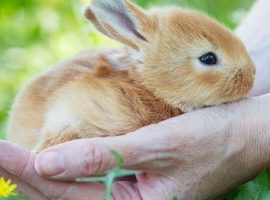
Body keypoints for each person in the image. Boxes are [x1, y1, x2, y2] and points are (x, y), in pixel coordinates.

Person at [1, 0, 270, 199]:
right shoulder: (126, 104)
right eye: (208, 60)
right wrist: (46, 159)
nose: (250, 72)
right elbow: (69, 116)